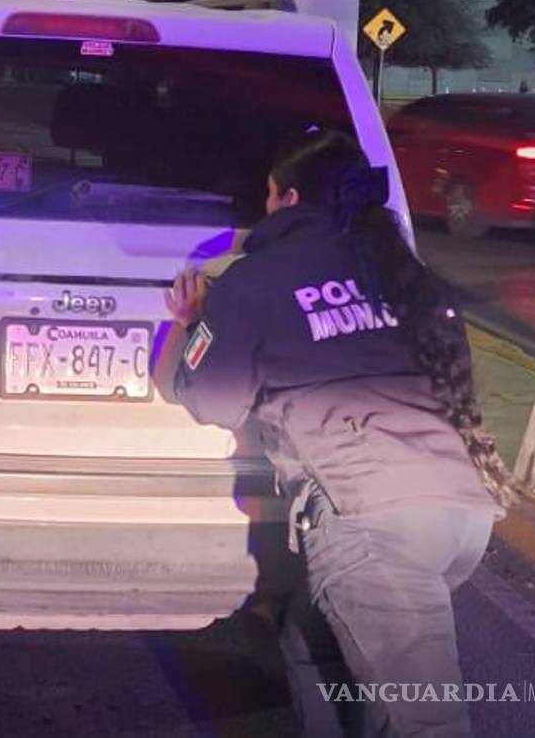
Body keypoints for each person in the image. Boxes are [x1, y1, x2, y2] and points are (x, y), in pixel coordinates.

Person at [154, 129, 513, 737]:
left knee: (431, 723)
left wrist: (190, 327)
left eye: (266, 195)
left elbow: (212, 401)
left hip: (373, 527)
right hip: (458, 515)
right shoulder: (398, 269)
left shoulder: (255, 279)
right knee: (309, 637)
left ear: (288, 201)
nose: (262, 207)